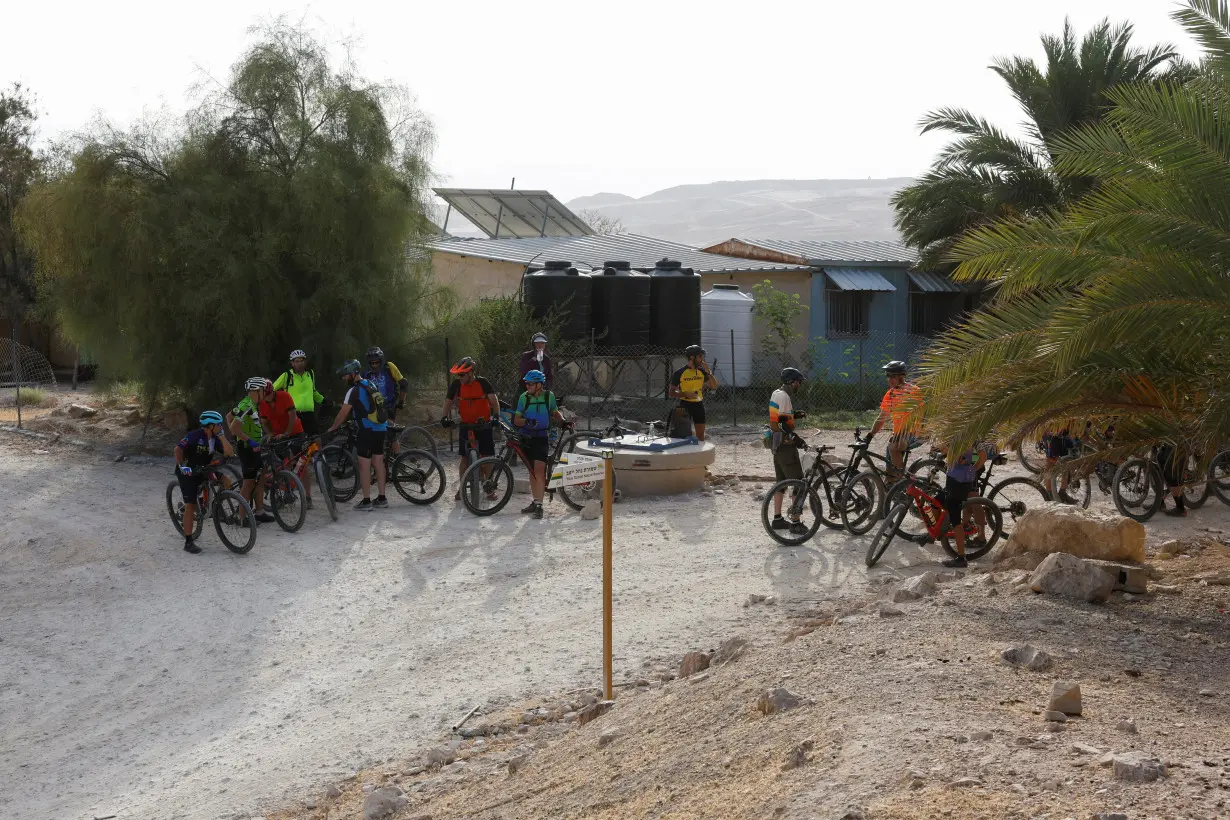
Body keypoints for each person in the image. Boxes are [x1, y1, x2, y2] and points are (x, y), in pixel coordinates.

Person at [325, 359, 389, 510]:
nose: (344, 378)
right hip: (380, 428)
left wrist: (333, 428)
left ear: (353, 374)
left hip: (366, 430)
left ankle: (366, 501)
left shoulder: (352, 391)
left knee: (364, 465)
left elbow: (343, 413)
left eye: (346, 375)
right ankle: (382, 498)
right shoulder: (370, 383)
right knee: (378, 463)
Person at [174, 411, 235, 554]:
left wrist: (222, 436)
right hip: (189, 472)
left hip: (205, 469)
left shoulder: (215, 438)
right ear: (210, 425)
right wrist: (182, 466)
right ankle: (188, 542)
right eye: (218, 424)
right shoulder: (194, 436)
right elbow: (178, 449)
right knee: (191, 505)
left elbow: (230, 453)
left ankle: (215, 506)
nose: (221, 426)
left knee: (226, 481)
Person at [441, 357, 500, 500]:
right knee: (464, 458)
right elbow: (448, 401)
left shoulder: (483, 382)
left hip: (483, 424)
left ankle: (488, 488)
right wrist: (444, 417)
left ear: (471, 373)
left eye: (462, 375)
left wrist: (496, 417)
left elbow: (493, 400)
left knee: (487, 457)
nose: (460, 378)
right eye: (458, 375)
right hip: (466, 425)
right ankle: (462, 488)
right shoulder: (456, 385)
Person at [513, 369, 566, 519]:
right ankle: (536, 501)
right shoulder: (524, 398)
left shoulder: (549, 396)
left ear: (539, 385)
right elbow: (516, 420)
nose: (527, 386)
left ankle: (539, 506)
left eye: (530, 384)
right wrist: (527, 421)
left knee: (539, 470)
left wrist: (563, 422)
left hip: (542, 437)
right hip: (526, 438)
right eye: (526, 383)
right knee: (532, 471)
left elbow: (555, 413)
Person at [226, 377, 276, 526]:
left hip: (255, 447)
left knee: (260, 478)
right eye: (262, 390)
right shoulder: (246, 405)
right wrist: (245, 439)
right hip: (247, 449)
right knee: (248, 483)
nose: (264, 393)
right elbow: (234, 427)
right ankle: (241, 518)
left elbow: (229, 416)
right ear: (256, 391)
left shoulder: (253, 404)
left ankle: (259, 512)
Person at [768, 367, 810, 535]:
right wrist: (795, 438)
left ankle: (777, 519)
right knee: (800, 483)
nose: (799, 386)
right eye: (799, 382)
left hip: (776, 445)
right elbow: (784, 424)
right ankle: (795, 522)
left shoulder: (776, 393)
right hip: (786, 446)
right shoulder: (786, 397)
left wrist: (795, 415)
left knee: (781, 483)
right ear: (793, 382)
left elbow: (778, 418)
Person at [937, 442, 992, 568]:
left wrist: (970, 466)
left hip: (968, 468)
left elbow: (982, 455)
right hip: (967, 467)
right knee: (967, 503)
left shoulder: (972, 433)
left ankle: (981, 536)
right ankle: (965, 527)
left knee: (974, 501)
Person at [867, 360, 923, 480]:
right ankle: (891, 485)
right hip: (898, 435)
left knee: (894, 447)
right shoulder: (891, 394)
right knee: (889, 468)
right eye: (888, 376)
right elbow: (882, 417)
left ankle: (902, 482)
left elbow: (918, 415)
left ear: (902, 376)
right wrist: (870, 435)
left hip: (915, 433)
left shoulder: (913, 391)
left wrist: (903, 434)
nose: (889, 379)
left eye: (893, 376)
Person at [669, 344, 719, 441]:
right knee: (680, 435)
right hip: (683, 405)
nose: (702, 359)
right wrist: (685, 394)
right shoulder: (679, 373)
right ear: (692, 357)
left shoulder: (701, 371)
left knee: (700, 436)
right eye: (700, 356)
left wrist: (708, 372)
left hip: (698, 405)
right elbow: (671, 392)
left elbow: (714, 385)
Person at [364, 346, 408, 455]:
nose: (374, 365)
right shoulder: (366, 374)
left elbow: (403, 384)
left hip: (389, 406)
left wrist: (401, 402)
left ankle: (398, 459)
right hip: (374, 409)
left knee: (390, 435)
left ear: (381, 361)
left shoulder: (389, 367)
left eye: (377, 362)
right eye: (372, 363)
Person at [272, 349, 326, 435]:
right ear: (292, 363)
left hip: (309, 413)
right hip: (294, 414)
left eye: (302, 361)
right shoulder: (287, 375)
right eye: (297, 361)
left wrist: (324, 401)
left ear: (305, 362)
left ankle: (318, 449)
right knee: (296, 440)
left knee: (315, 438)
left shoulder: (310, 374)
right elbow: (271, 390)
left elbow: (313, 392)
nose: (300, 363)